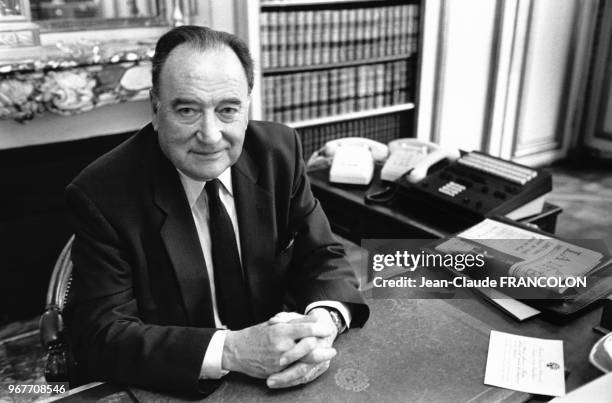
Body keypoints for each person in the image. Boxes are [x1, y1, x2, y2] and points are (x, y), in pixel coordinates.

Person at [65, 25, 369, 396]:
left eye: (227, 110)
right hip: (178, 383)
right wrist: (232, 351)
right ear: (156, 109)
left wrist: (323, 322)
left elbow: (322, 254)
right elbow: (100, 334)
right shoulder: (102, 193)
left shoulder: (279, 152)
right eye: (188, 110)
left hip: (284, 373)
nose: (210, 135)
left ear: (246, 108)